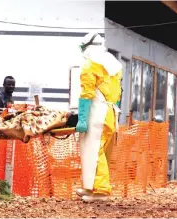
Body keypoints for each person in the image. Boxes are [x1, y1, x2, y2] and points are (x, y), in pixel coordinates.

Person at [75, 32, 122, 202]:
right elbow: (117, 94)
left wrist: (82, 118)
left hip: (98, 114)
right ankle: (92, 187)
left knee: (94, 151)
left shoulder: (90, 66)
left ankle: (101, 191)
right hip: (110, 112)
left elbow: (86, 94)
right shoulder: (113, 66)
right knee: (100, 151)